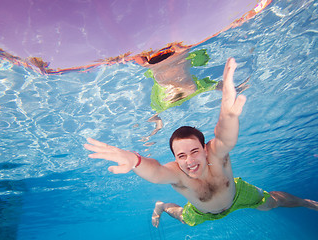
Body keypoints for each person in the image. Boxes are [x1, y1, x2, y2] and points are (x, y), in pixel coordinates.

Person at [84, 58, 318, 227]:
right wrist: (134, 160)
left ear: (205, 150)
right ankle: (162, 206)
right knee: (184, 218)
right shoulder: (177, 173)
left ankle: (308, 203)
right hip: (201, 211)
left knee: (272, 202)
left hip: (238, 196)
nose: (189, 161)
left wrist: (228, 114)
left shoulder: (216, 155)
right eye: (181, 156)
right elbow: (155, 173)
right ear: (175, 159)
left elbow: (225, 138)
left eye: (194, 151)